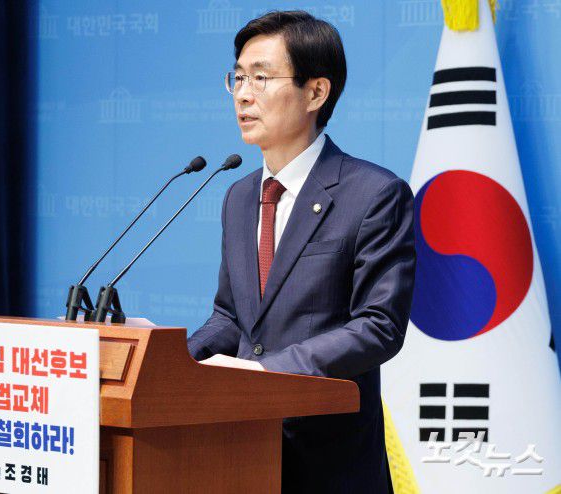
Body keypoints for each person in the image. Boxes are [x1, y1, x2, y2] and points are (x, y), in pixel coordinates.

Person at [187, 11, 416, 493]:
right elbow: (231, 318)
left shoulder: (373, 194)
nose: (243, 94)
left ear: (316, 92)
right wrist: (170, 362)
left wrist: (266, 372)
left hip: (329, 463)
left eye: (262, 78)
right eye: (238, 78)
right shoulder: (239, 196)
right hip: (241, 451)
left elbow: (379, 326)